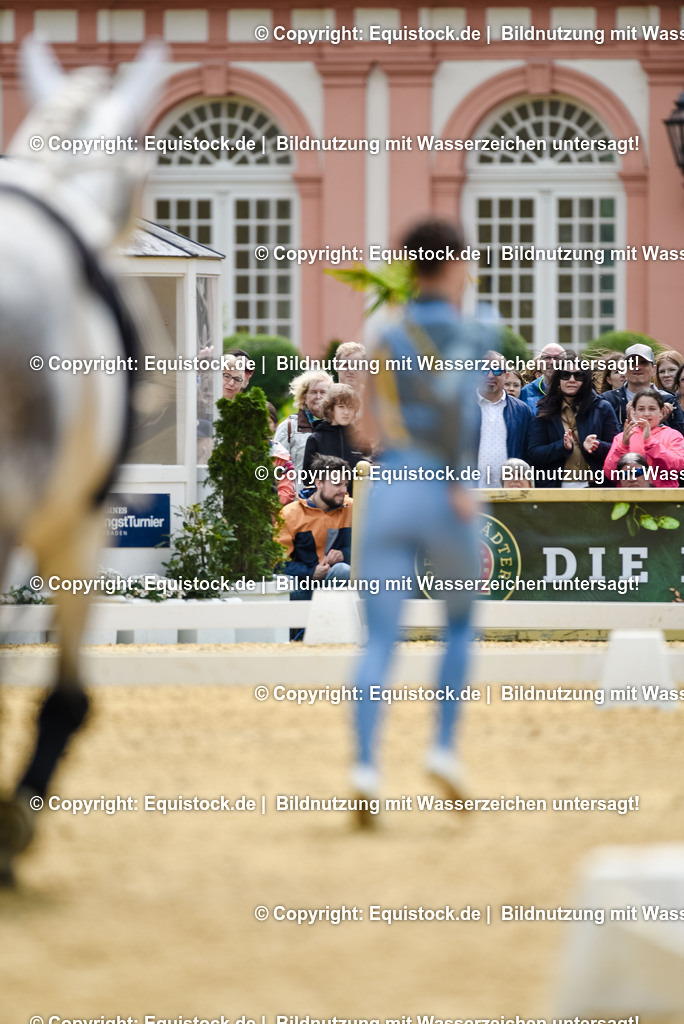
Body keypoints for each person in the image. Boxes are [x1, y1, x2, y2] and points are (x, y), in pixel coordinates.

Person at [351, 217, 498, 818]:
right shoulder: (478, 328)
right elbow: (455, 408)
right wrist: (462, 481)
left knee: (380, 638)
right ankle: (441, 748)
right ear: (458, 264)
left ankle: (365, 765)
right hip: (444, 488)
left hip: (390, 488)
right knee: (460, 625)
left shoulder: (385, 333)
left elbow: (366, 427)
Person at [527, 359, 619, 487]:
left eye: (578, 375)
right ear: (558, 379)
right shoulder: (545, 409)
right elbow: (534, 453)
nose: (571, 380)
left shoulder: (602, 408)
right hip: (556, 489)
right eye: (565, 375)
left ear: (585, 380)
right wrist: (561, 447)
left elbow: (617, 449)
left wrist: (596, 446)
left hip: (595, 488)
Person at [276, 453, 353, 590]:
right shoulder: (290, 513)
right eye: (337, 484)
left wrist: (344, 554)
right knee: (280, 582)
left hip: (336, 581)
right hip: (302, 585)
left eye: (345, 484)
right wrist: (310, 573)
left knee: (343, 570)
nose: (343, 490)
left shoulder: (354, 508)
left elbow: (374, 548)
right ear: (319, 483)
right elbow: (277, 563)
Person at [604, 389, 684, 487]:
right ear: (634, 411)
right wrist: (623, 447)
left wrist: (650, 443)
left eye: (652, 409)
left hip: (663, 497)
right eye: (641, 409)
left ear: (661, 411)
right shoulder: (622, 437)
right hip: (630, 497)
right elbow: (610, 474)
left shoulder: (673, 435)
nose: (646, 414)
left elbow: (677, 467)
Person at [476, 351, 533, 486]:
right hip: (470, 494)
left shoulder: (522, 411)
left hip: (509, 493)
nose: (490, 376)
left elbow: (530, 454)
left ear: (506, 375)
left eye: (496, 370)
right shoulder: (462, 408)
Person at [602, 343, 684, 435]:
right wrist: (630, 425)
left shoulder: (669, 400)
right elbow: (605, 439)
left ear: (654, 370)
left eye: (643, 363)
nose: (637, 367)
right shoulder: (608, 399)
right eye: (632, 363)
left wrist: (659, 423)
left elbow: (679, 440)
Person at [302, 384, 370, 493]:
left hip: (358, 504)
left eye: (351, 407)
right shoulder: (315, 439)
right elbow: (307, 478)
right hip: (327, 506)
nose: (346, 412)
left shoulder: (361, 439)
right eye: (341, 406)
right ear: (330, 409)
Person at [274, 370, 333, 482]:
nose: (318, 396)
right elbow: (276, 468)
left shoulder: (337, 428)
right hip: (298, 498)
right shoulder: (288, 427)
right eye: (313, 392)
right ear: (304, 397)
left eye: (323, 392)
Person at [519, 342, 566, 413]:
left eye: (557, 358)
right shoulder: (526, 392)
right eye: (547, 357)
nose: (552, 362)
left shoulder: (573, 390)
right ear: (540, 363)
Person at [266, 402, 296, 506]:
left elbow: (287, 493)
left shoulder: (282, 457)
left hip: (271, 516)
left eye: (268, 422)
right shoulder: (240, 452)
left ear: (275, 425)